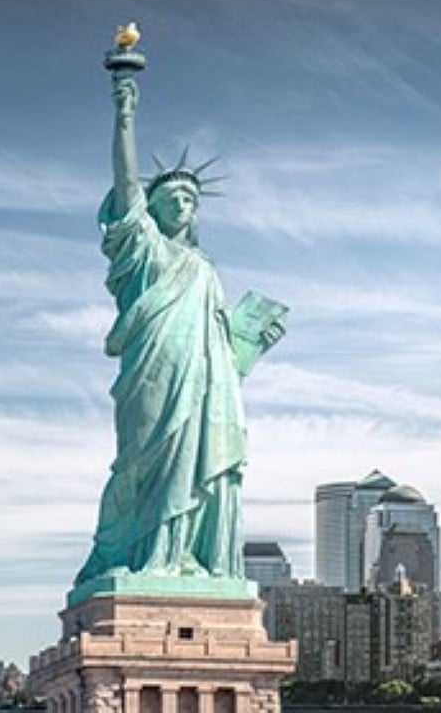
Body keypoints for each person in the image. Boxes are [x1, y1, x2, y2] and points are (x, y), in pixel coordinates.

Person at [75, 74, 284, 586]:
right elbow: (126, 185)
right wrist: (125, 110)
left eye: (192, 197)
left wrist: (251, 343)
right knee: (138, 465)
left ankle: (183, 556)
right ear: (155, 206)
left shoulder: (205, 269)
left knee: (198, 465)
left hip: (204, 384)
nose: (185, 201)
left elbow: (221, 352)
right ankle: (140, 555)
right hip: (151, 371)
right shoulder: (143, 247)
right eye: (174, 195)